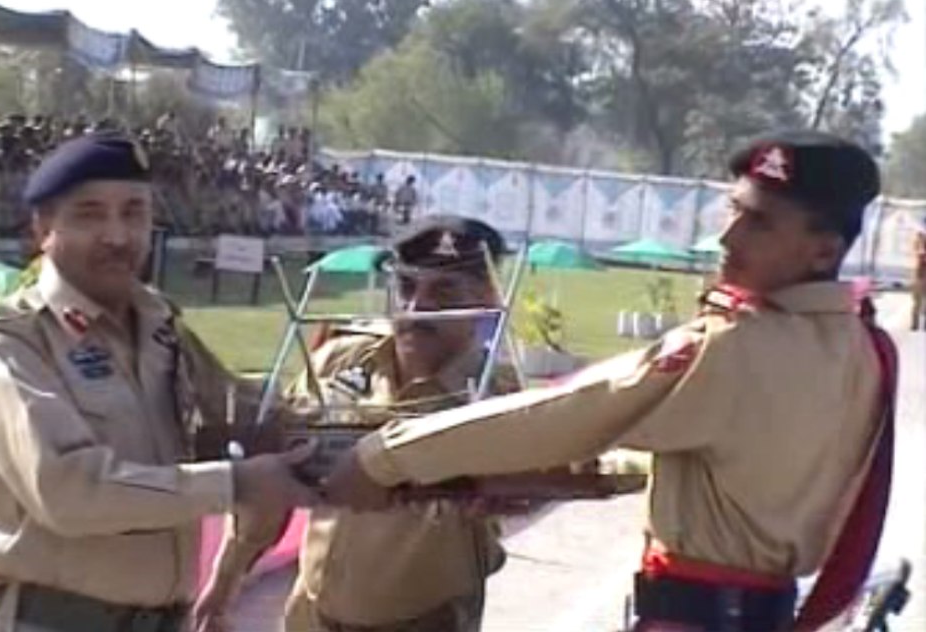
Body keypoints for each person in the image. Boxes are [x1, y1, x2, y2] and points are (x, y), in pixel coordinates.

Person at [324, 131, 898, 632]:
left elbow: (571, 413)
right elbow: (732, 464)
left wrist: (383, 457)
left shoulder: (734, 346)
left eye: (760, 222)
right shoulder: (864, 349)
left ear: (823, 249)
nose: (728, 238)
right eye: (733, 210)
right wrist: (545, 475)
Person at [0, 134, 316, 632]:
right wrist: (234, 483)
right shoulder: (14, 347)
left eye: (134, 213)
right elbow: (67, 491)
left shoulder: (161, 331)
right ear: (43, 228)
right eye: (90, 214)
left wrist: (358, 448)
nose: (117, 235)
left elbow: (250, 415)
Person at [197, 216, 521, 632]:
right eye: (406, 287)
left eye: (444, 292)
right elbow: (278, 474)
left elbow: (540, 486)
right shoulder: (339, 361)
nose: (417, 309)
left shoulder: (500, 396)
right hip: (312, 614)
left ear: (487, 296)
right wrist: (225, 582)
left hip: (427, 618)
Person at [911, 216, 926, 331]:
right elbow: (919, 254)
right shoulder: (919, 238)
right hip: (920, 273)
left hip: (920, 273)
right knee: (917, 301)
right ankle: (914, 326)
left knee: (919, 301)